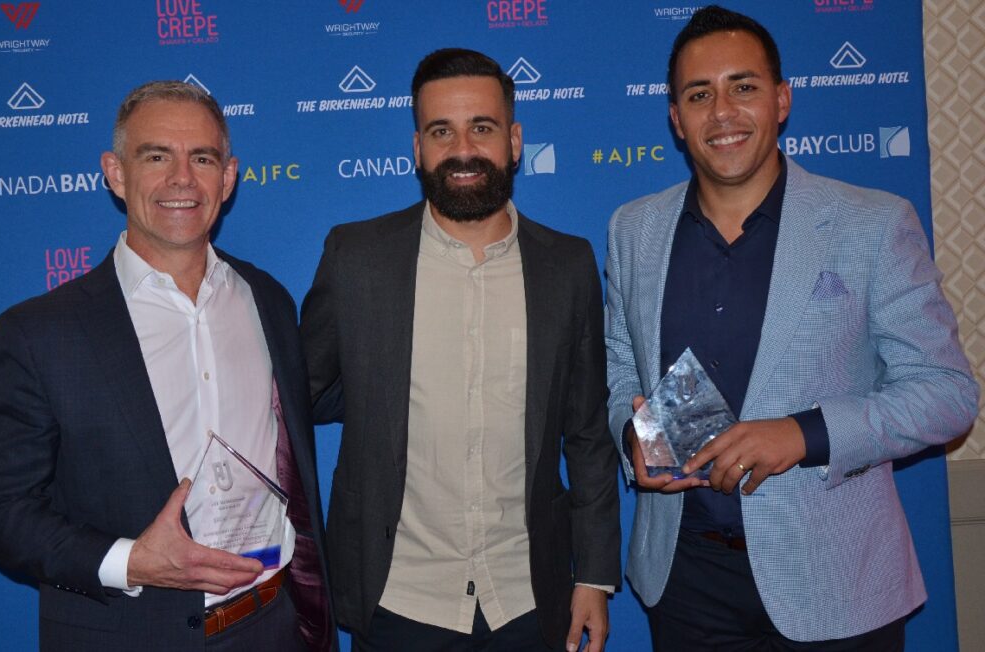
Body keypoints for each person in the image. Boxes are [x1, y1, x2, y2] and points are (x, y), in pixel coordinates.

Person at [605, 6, 978, 650]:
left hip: (838, 579)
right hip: (686, 581)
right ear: (676, 117)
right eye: (700, 94)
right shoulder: (633, 230)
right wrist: (629, 433)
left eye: (743, 87)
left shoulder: (874, 224)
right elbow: (620, 369)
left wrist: (803, 435)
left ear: (781, 100)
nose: (722, 112)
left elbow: (947, 394)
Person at [0, 81, 335, 651]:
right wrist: (132, 561)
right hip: (130, 636)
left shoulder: (268, 299)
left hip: (274, 626)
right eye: (156, 156)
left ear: (229, 176)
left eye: (203, 158)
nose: (182, 179)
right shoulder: (41, 332)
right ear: (115, 173)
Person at [300, 48, 620, 652]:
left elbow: (586, 434)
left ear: (515, 140)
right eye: (441, 130)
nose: (463, 148)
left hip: (529, 597)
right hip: (397, 596)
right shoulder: (356, 259)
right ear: (417, 147)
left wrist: (595, 577)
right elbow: (301, 395)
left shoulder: (568, 265)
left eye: (483, 127)